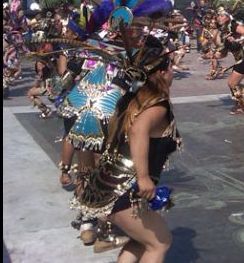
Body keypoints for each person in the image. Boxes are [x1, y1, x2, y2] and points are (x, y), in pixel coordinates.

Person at [72, 36, 181, 262]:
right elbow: (137, 131)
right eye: (171, 67)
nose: (173, 72)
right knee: (160, 242)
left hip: (107, 187)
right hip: (125, 189)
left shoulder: (132, 100)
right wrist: (143, 178)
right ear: (161, 73)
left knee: (142, 242)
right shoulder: (157, 106)